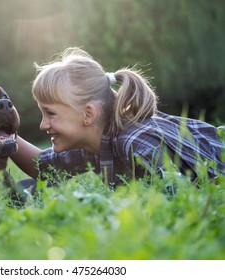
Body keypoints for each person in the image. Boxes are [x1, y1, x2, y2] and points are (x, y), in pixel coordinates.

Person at [11, 47, 225, 189]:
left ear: (88, 114)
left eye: (51, 113)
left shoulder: (136, 143)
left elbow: (176, 201)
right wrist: (3, 135)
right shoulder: (94, 143)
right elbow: (46, 169)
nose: (43, 124)